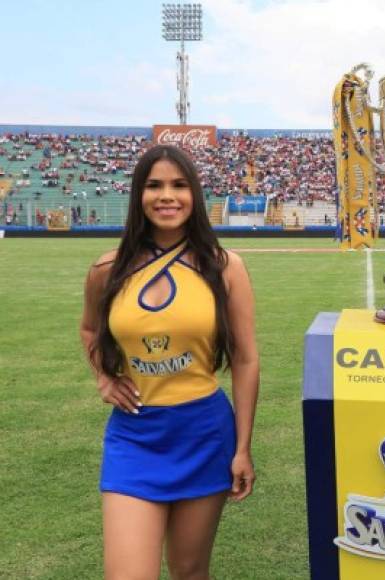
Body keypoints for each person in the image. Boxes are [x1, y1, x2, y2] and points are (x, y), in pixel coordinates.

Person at [80, 144, 259, 579]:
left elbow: (245, 358)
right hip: (135, 437)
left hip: (203, 433)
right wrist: (104, 377)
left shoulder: (224, 266)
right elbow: (89, 330)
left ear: (194, 195)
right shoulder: (107, 269)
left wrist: (241, 448)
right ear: (138, 195)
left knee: (188, 570)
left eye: (179, 185)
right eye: (154, 185)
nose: (167, 196)